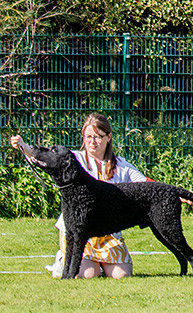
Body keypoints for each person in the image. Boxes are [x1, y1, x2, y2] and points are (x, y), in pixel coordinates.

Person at [10, 113, 147, 279]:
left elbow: (146, 184)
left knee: (122, 275)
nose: (92, 141)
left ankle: (101, 264)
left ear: (108, 137)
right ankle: (63, 260)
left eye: (98, 136)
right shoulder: (73, 159)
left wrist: (172, 193)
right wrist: (23, 146)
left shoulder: (121, 165)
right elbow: (43, 158)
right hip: (78, 232)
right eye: (88, 136)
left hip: (107, 234)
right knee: (87, 274)